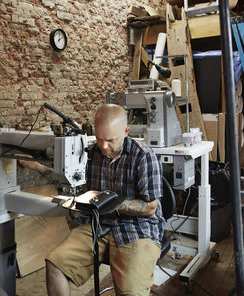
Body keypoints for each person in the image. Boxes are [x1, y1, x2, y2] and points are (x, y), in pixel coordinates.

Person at [46, 104, 165, 296]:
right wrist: (37, 166)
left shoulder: (143, 156)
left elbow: (150, 207)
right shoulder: (92, 153)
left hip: (137, 228)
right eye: (99, 139)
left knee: (130, 291)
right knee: (55, 264)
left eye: (110, 140)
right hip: (99, 225)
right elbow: (68, 176)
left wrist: (111, 202)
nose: (103, 146)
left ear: (126, 132)